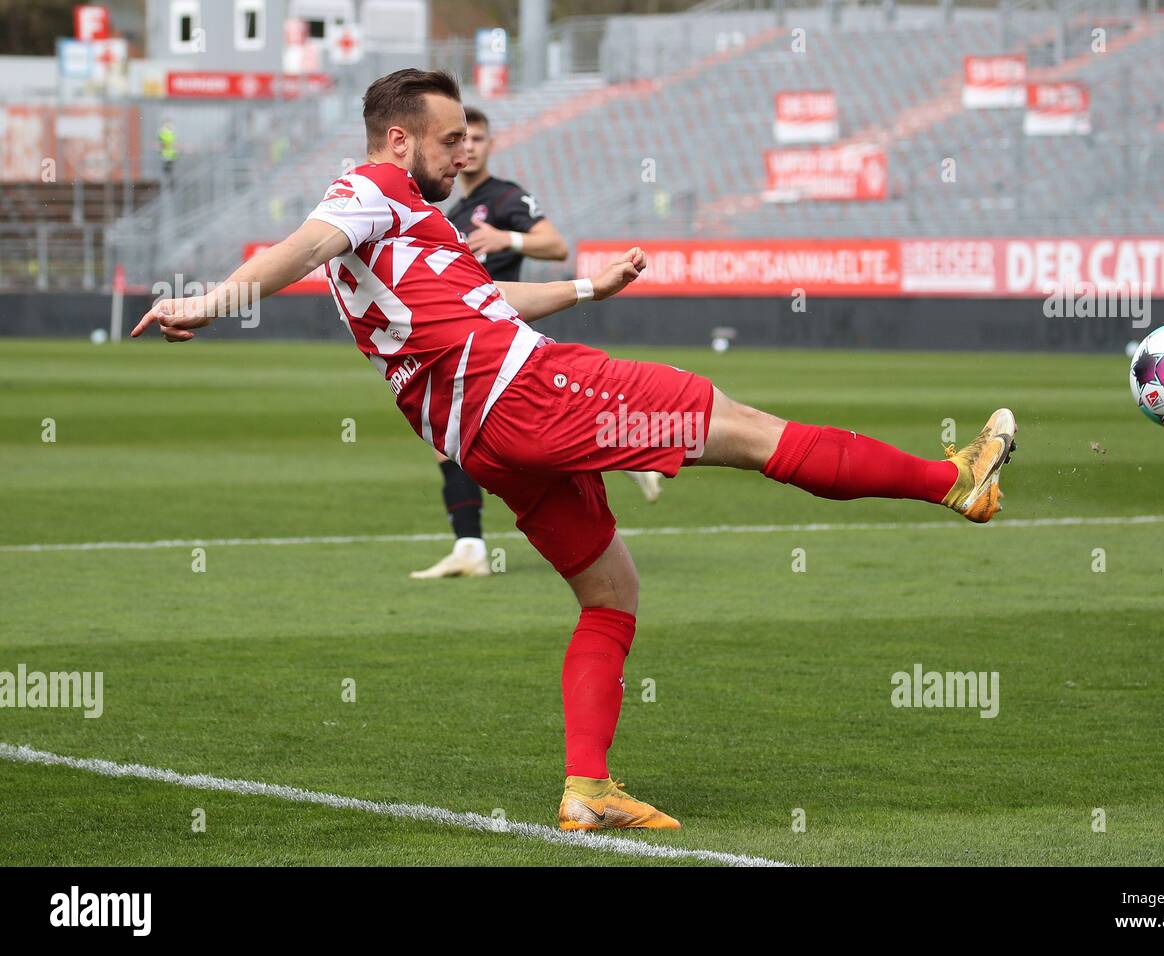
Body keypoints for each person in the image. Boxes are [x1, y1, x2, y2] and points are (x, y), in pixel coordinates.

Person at [132, 69, 1017, 832]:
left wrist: (593, 285)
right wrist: (204, 304)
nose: (462, 156)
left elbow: (492, 308)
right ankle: (955, 481)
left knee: (611, 591)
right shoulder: (371, 191)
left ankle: (586, 788)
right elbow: (300, 247)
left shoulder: (413, 230)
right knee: (745, 428)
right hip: (530, 396)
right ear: (398, 142)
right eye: (446, 142)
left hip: (487, 441)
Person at [414, 105, 660, 581]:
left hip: (503, 333)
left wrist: (508, 239)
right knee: (455, 441)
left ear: (488, 145)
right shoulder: (454, 210)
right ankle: (470, 547)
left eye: (478, 139)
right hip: (468, 338)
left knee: (481, 436)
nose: (469, 148)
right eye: (461, 139)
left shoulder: (505, 198)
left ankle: (631, 449)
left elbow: (557, 246)